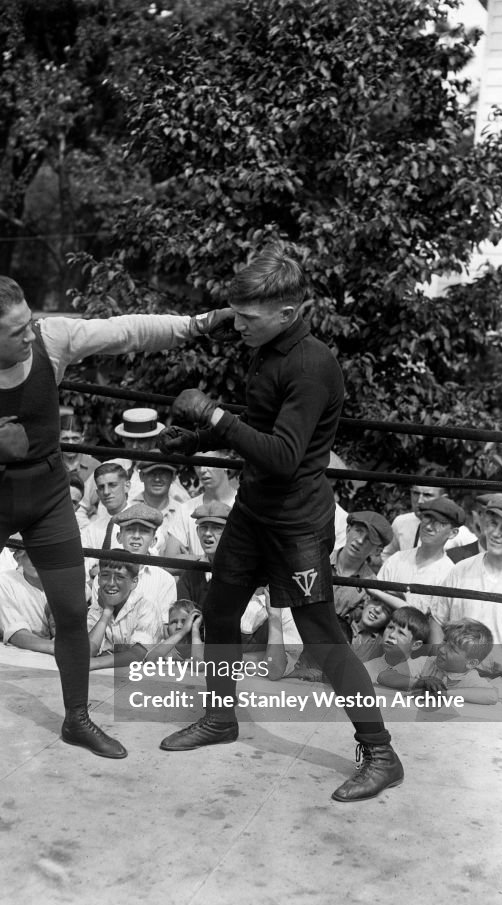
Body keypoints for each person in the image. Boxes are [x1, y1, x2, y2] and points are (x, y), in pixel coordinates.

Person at [0, 272, 232, 767]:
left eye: (29, 322)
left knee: (73, 612)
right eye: (16, 330)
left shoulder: (50, 338)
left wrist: (199, 324)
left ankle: (76, 719)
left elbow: (127, 331)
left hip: (49, 494)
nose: (30, 334)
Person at [157, 242, 403, 802]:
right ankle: (220, 719)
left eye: (248, 316)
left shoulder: (313, 365)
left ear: (287, 313)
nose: (237, 325)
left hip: (295, 523)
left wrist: (213, 417)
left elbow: (286, 455)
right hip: (254, 511)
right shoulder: (264, 349)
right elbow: (263, 424)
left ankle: (381, 752)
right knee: (218, 610)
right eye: (236, 314)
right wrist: (201, 437)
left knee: (321, 635)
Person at [429, 494, 502, 674]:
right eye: (492, 524)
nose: (495, 533)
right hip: (453, 680)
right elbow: (436, 620)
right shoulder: (461, 570)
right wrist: (438, 666)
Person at [368, 497, 465, 614]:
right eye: (427, 518)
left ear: (453, 533)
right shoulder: (397, 559)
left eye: (440, 523)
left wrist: (378, 593)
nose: (429, 527)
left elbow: (428, 622)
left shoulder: (449, 575)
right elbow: (372, 602)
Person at [89, 502, 177, 624]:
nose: (136, 536)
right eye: (130, 530)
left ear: (153, 541)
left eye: (144, 531)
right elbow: (96, 625)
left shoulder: (165, 581)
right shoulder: (102, 579)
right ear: (119, 537)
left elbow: (163, 631)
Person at [87, 554, 164, 669]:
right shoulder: (97, 607)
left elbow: (139, 654)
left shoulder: (147, 606)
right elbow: (88, 651)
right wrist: (106, 613)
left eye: (120, 577)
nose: (111, 583)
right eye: (105, 575)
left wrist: (96, 663)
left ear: (134, 582)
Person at [381, 478, 476, 561]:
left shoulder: (456, 531)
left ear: (443, 498)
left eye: (427, 495)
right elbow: (388, 554)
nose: (419, 501)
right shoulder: (400, 522)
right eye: (415, 493)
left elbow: (476, 560)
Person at [414, 619, 497, 705]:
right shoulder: (427, 663)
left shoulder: (470, 678)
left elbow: (492, 696)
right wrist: (421, 683)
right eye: (445, 641)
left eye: (452, 649)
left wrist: (444, 694)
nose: (441, 649)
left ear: (471, 663)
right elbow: (398, 675)